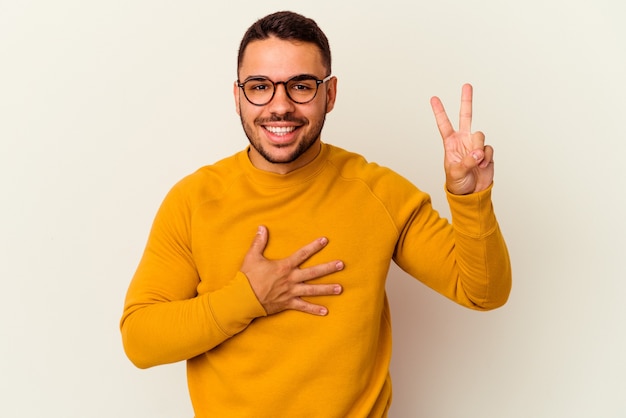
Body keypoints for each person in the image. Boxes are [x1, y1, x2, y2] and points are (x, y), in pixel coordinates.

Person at [120, 10, 512, 418]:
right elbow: (140, 340)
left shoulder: (379, 193)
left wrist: (472, 198)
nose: (280, 106)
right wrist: (248, 298)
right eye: (260, 87)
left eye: (301, 86)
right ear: (237, 96)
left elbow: (483, 292)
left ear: (330, 93)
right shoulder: (193, 200)